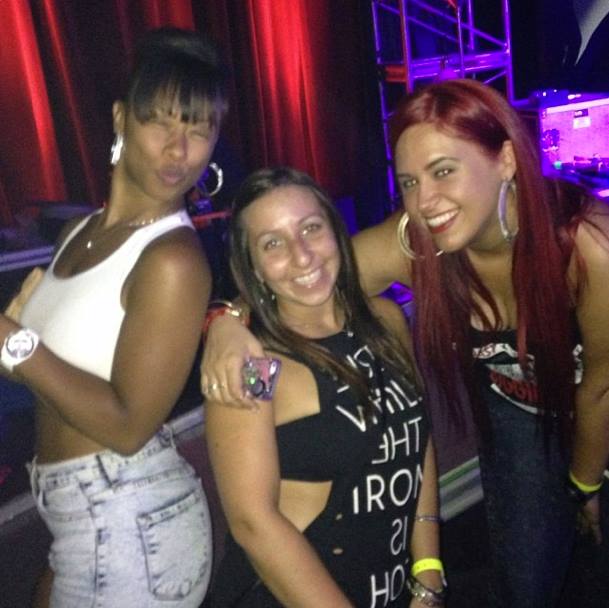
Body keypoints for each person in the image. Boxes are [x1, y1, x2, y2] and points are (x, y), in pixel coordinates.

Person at [200, 80, 609, 607]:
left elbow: (600, 388)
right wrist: (228, 320)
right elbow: (311, 271)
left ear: (506, 160)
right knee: (527, 583)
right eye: (410, 182)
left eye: (443, 171)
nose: (425, 202)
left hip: (598, 400)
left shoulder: (587, 245)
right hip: (517, 415)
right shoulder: (415, 244)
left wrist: (584, 486)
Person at [0, 26, 228, 608]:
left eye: (199, 131)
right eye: (160, 123)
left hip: (130, 516)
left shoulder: (173, 259)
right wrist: (14, 352)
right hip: (79, 517)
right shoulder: (78, 232)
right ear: (121, 118)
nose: (179, 151)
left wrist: (17, 345)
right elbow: (54, 382)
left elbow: (128, 426)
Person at [203, 167, 444, 607]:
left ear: (335, 230)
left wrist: (427, 573)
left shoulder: (386, 321)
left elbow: (415, 439)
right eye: (272, 243)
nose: (302, 256)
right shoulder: (254, 364)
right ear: (253, 268)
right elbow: (253, 525)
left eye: (311, 228)